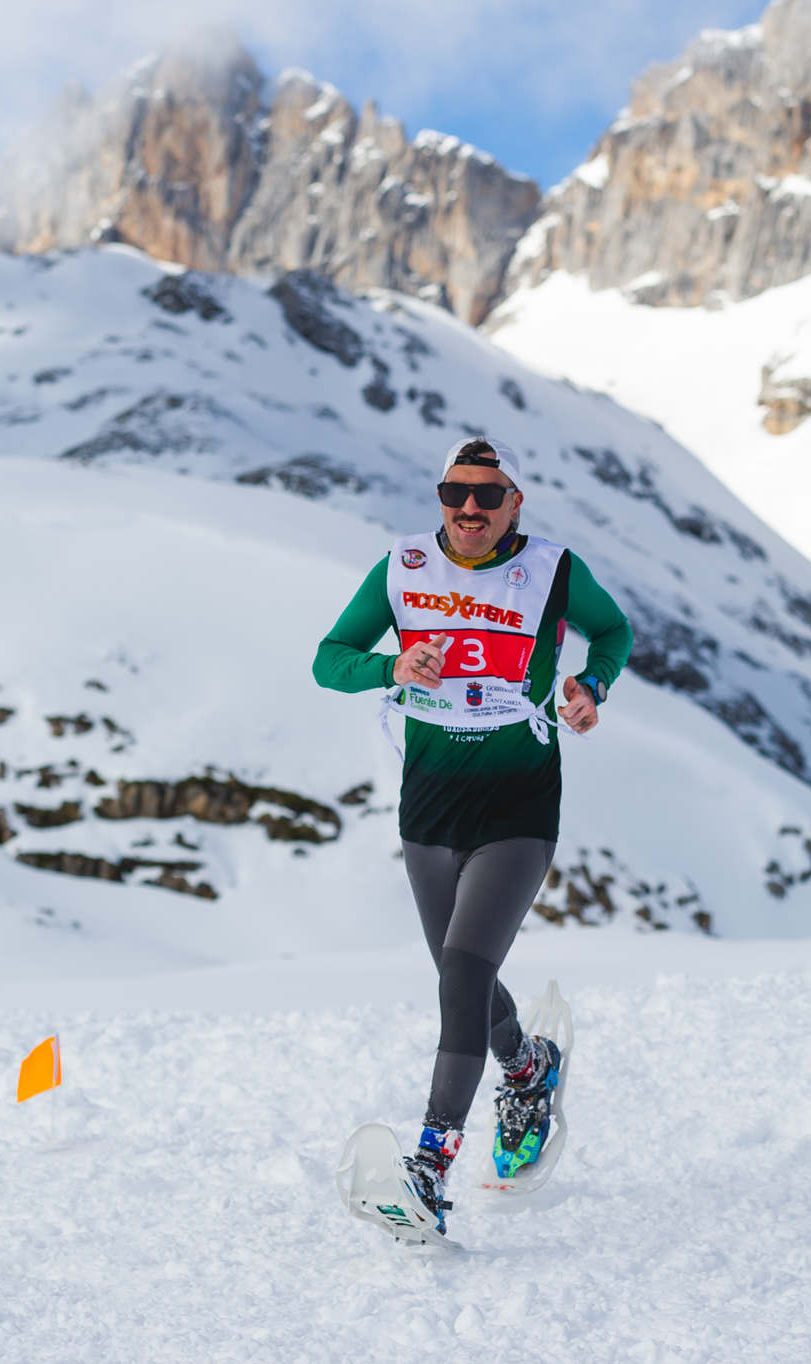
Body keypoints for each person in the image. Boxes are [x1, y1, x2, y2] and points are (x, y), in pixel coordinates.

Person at [311, 435, 633, 1235]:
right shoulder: (403, 567)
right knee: (466, 981)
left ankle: (429, 1168)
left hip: (518, 807)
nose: (470, 510)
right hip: (428, 810)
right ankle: (527, 1071)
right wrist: (392, 667)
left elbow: (614, 632)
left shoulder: (553, 569)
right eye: (454, 493)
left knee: (461, 971)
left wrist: (589, 685)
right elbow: (330, 659)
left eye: (489, 496)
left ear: (516, 501)